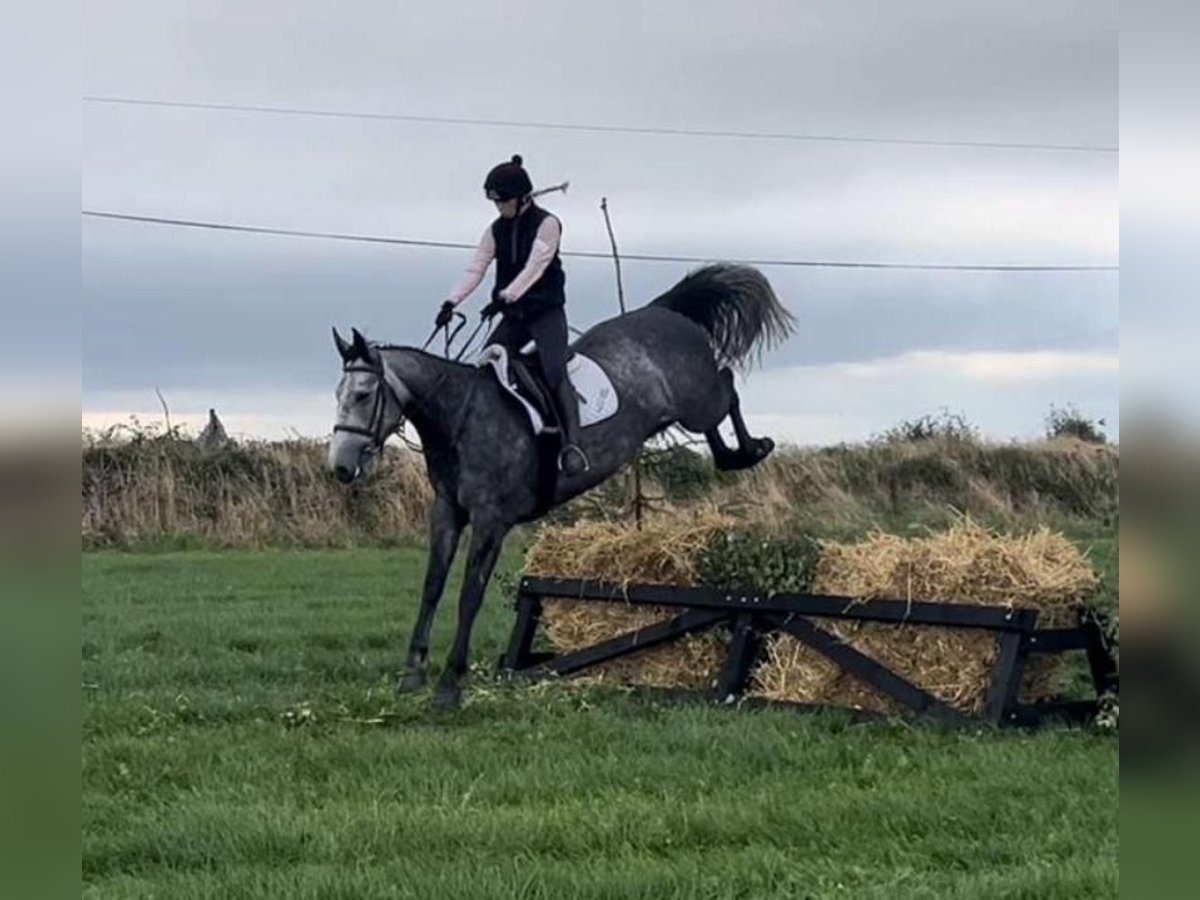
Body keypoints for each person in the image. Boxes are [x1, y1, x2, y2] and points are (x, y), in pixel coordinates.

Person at [436, 154, 590, 476]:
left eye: (503, 200)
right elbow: (476, 268)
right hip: (515, 316)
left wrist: (506, 295)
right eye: (495, 201)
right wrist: (451, 302)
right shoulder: (495, 230)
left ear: (521, 198)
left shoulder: (548, 224)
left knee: (553, 371)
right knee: (485, 368)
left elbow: (536, 267)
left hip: (545, 313)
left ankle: (573, 445)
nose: (498, 207)